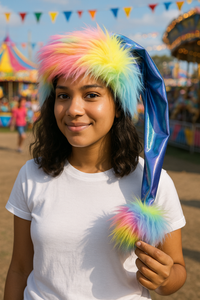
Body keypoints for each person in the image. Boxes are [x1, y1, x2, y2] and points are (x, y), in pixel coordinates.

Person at [4, 27, 186, 300]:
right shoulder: (31, 175)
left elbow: (176, 272)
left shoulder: (152, 182)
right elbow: (19, 268)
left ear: (118, 104)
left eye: (91, 95)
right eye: (63, 95)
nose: (74, 109)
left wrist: (164, 277)